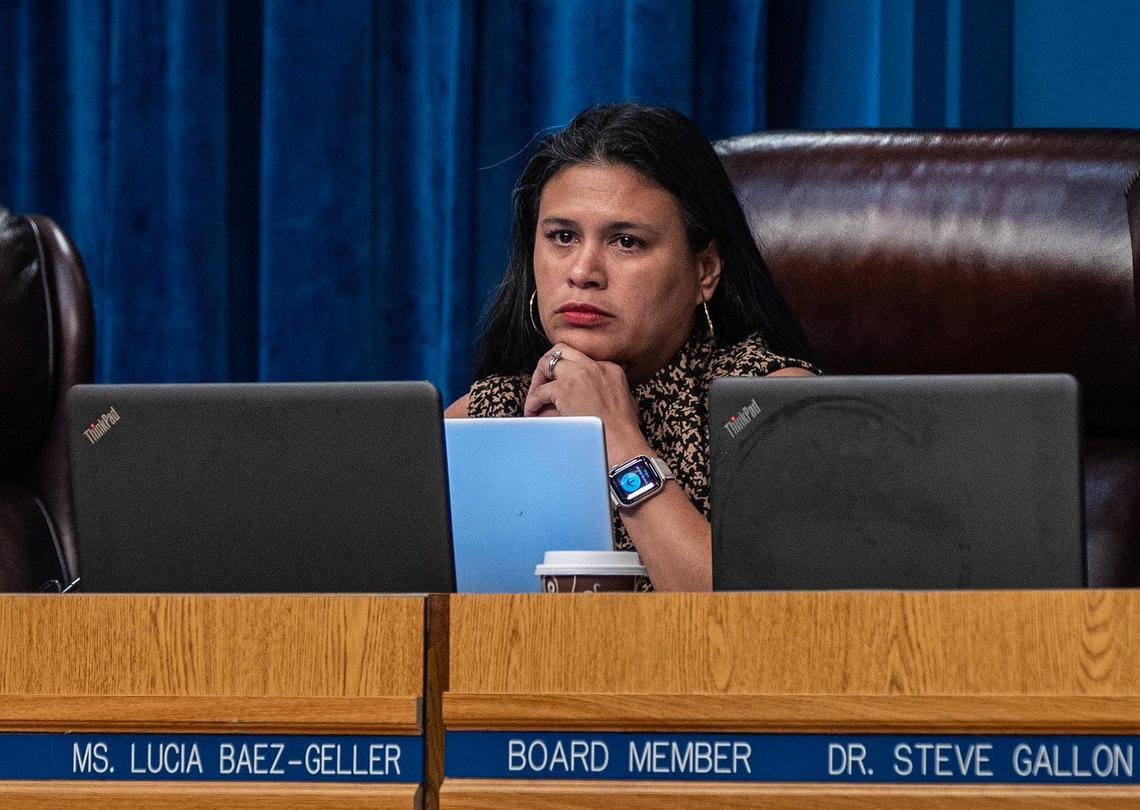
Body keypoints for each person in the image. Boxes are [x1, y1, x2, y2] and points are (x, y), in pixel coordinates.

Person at [445, 103, 819, 591]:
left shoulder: (764, 409)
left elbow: (755, 626)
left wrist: (619, 440)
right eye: (562, 236)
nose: (582, 271)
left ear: (705, 270)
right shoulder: (484, 420)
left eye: (626, 242)